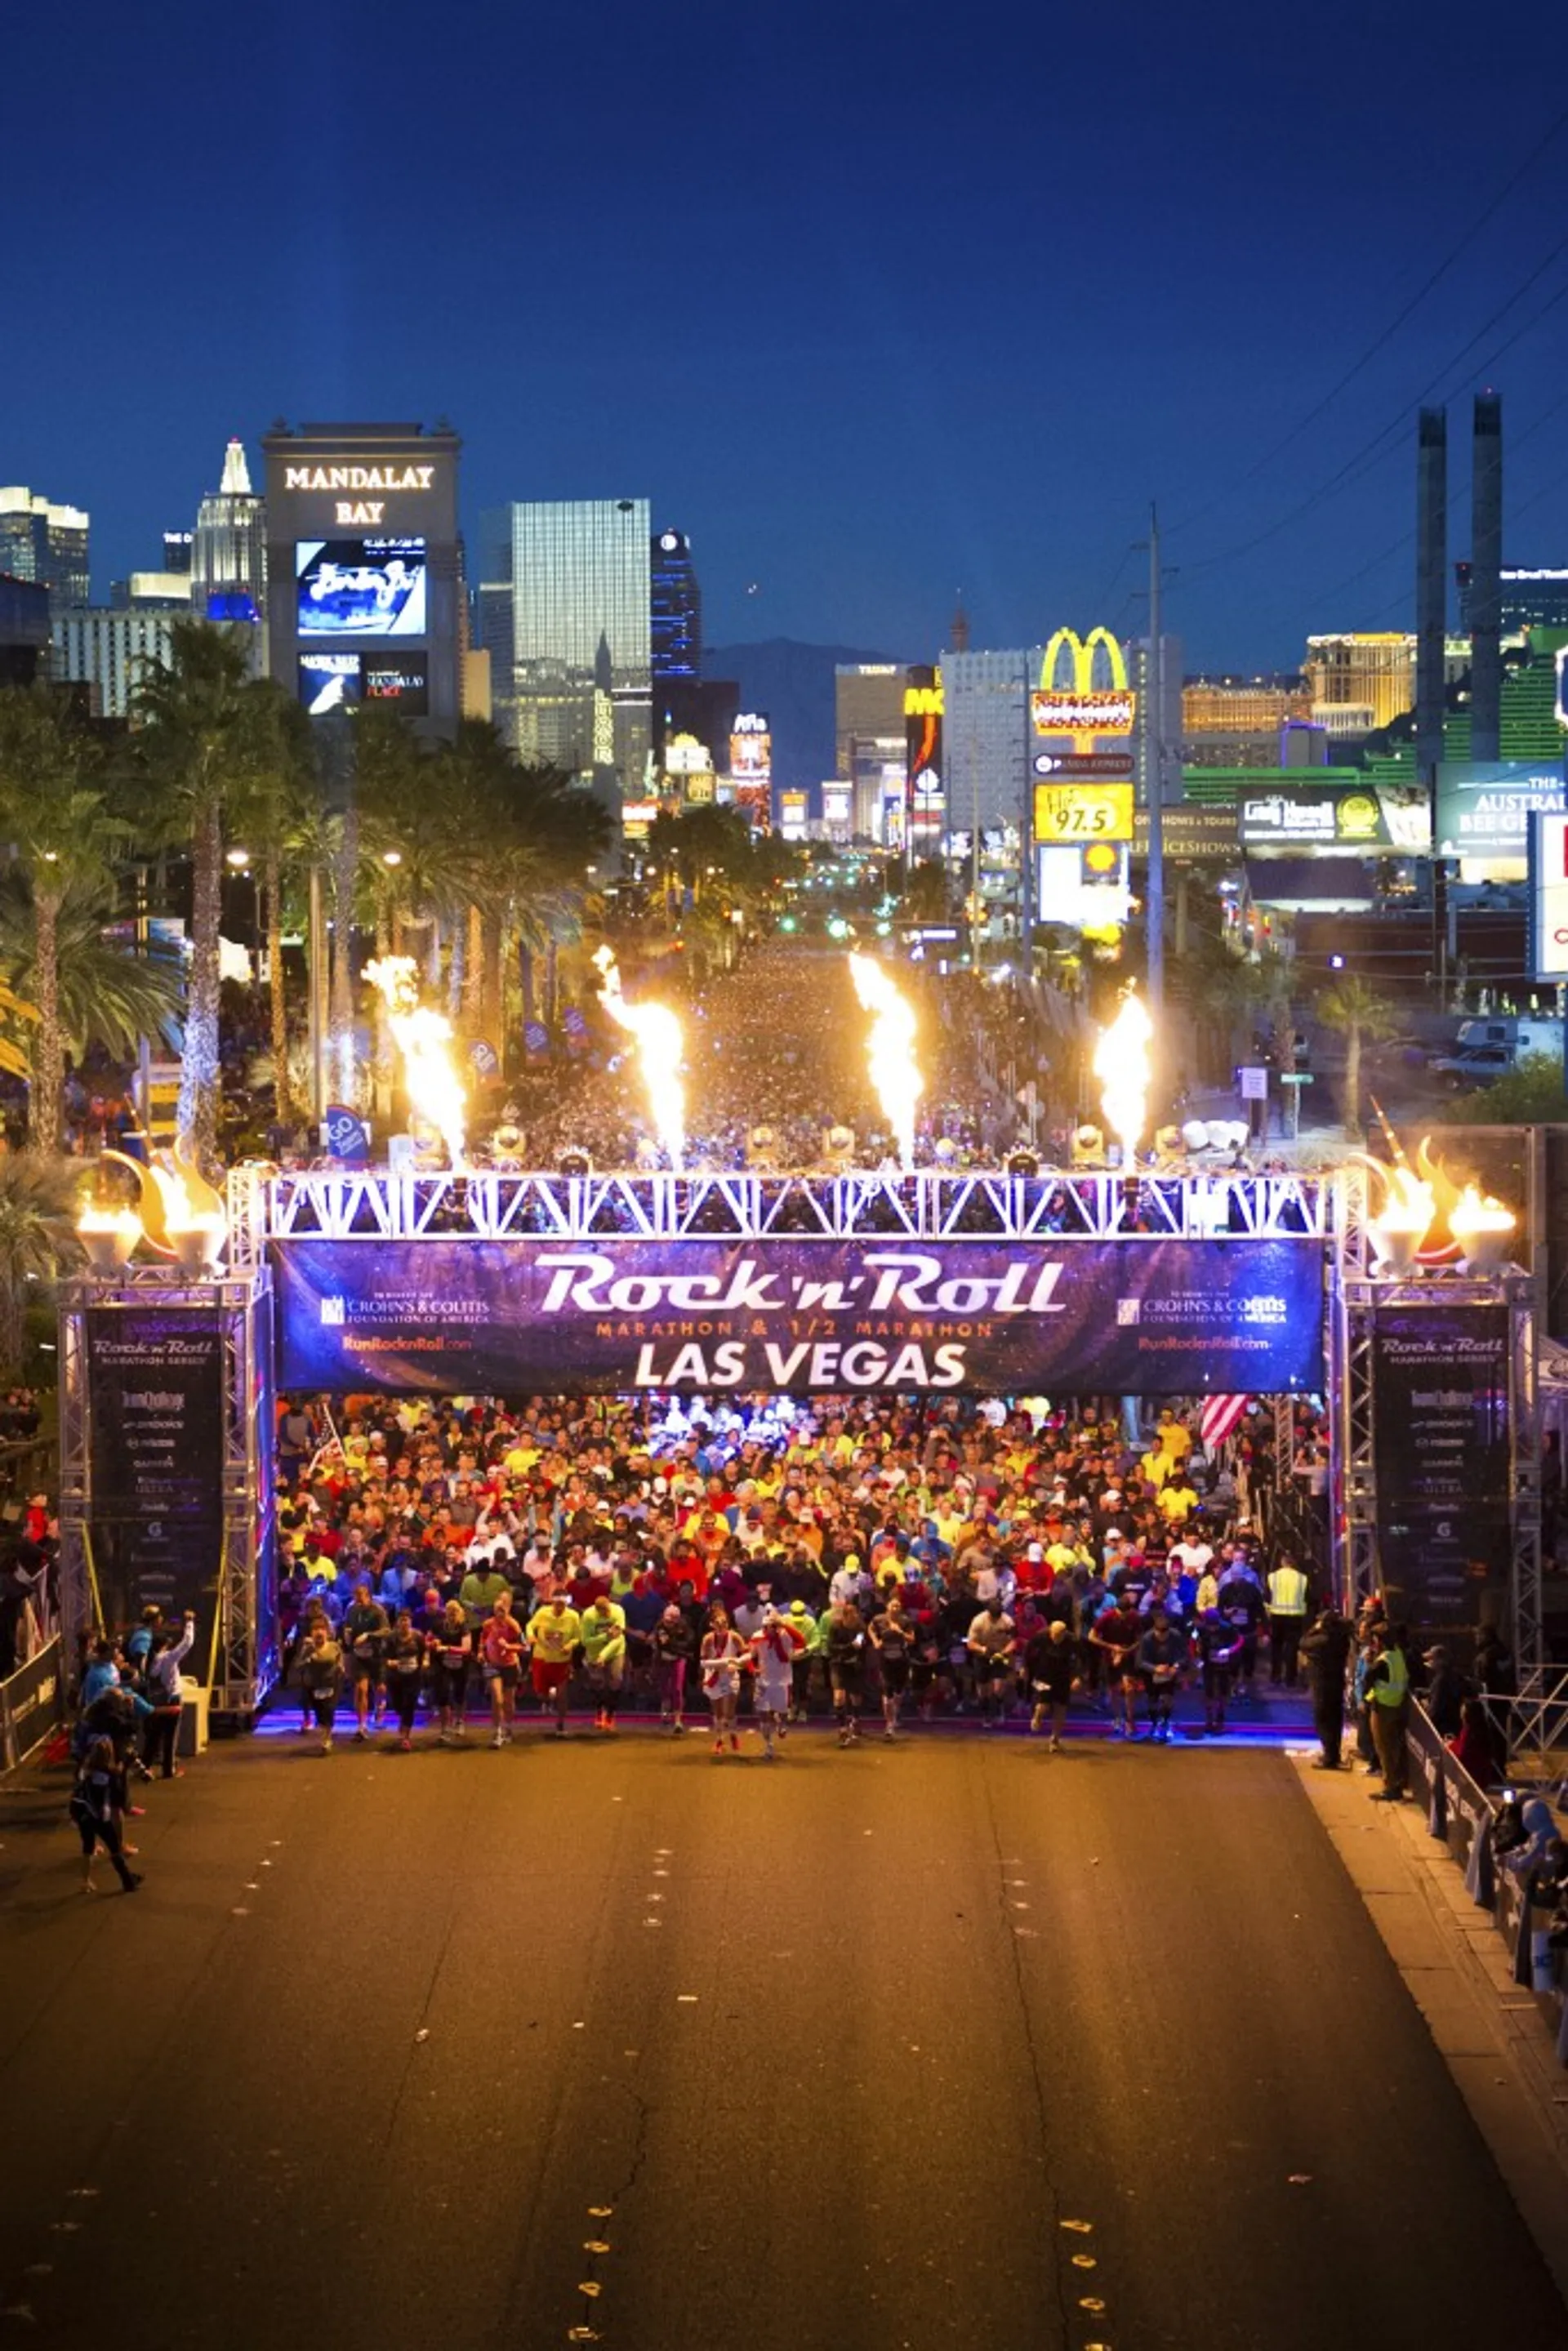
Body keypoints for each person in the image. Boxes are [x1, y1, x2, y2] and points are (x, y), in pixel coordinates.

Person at [69, 1733, 142, 1895]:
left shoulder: (85, 1771)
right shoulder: (107, 1776)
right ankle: (127, 1880)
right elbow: (111, 1797)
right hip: (100, 1816)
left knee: (87, 1847)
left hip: (84, 1814)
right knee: (115, 1848)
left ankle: (85, 1881)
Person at [140, 1611, 196, 1779]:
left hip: (157, 1701)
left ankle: (146, 1765)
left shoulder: (150, 1662)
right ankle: (168, 1769)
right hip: (172, 1698)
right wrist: (189, 1623)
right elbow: (187, 1643)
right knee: (171, 1736)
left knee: (154, 1735)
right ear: (163, 1646)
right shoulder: (168, 1658)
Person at [1299, 1606, 1352, 1769]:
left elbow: (1303, 1643)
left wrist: (1314, 1629)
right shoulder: (1342, 1638)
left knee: (1322, 1719)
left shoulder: (1322, 1640)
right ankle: (1333, 1754)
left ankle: (1329, 1757)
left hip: (1322, 1684)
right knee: (1335, 1720)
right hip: (1336, 1682)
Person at [526, 1592, 583, 1739]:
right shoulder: (543, 1612)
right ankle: (547, 1699)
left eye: (562, 1605)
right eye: (557, 1605)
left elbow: (578, 1637)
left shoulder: (573, 1616)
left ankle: (561, 1724)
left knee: (562, 1694)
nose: (559, 1608)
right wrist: (531, 1636)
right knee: (540, 1694)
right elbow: (530, 1626)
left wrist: (570, 1645)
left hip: (562, 1660)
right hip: (542, 1658)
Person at [1365, 1621, 1411, 1801]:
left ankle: (1390, 1787)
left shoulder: (1382, 1661)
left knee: (1384, 1749)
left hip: (1383, 1709)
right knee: (1396, 1748)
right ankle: (1399, 1782)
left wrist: (1366, 1700)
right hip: (1398, 1707)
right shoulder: (1398, 1655)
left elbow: (1368, 1681)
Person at [749, 1605, 801, 1759]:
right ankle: (769, 1745)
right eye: (766, 1626)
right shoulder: (757, 1637)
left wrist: (784, 1625)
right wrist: (753, 1669)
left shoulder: (785, 1636)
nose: (769, 1629)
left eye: (772, 1626)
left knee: (783, 1711)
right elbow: (750, 1656)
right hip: (764, 1681)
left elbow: (801, 1640)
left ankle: (781, 1723)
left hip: (782, 1681)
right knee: (763, 1714)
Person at [341, 1580, 390, 1742]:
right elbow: (347, 1627)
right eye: (356, 1598)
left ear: (369, 1597)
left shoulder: (378, 1611)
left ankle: (380, 1705)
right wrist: (347, 1635)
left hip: (376, 1655)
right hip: (359, 1656)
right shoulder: (352, 1610)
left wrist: (368, 1635)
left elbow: (386, 1630)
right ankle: (362, 1725)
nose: (359, 1601)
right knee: (361, 1689)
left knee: (380, 1689)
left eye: (361, 1598)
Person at [1090, 1592, 1143, 1739]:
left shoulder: (1135, 1617)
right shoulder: (1107, 1617)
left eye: (1125, 1614)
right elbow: (1091, 1636)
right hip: (1110, 1656)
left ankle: (1130, 1720)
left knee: (1129, 1688)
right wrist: (1112, 1647)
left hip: (1128, 1655)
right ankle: (1118, 1717)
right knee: (1113, 1690)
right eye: (1120, 1614)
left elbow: (1140, 1639)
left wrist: (1127, 1650)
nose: (1123, 1617)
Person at [478, 1592, 525, 1748]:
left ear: (508, 1608)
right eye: (497, 1609)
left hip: (509, 1665)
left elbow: (524, 1646)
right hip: (493, 1665)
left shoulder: (514, 1625)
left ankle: (508, 1728)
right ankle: (497, 1732)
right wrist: (480, 1653)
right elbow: (482, 1641)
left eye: (502, 1609)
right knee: (497, 1699)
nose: (499, 1613)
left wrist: (509, 1647)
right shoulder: (488, 1625)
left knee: (508, 1701)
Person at [700, 1603, 747, 1757]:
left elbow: (747, 1656)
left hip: (730, 1675)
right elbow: (703, 1662)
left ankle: (733, 1733)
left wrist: (736, 1665)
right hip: (714, 1676)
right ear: (712, 1624)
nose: (722, 1626)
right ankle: (719, 1739)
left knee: (730, 1711)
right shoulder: (708, 1639)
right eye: (718, 1623)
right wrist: (721, 1664)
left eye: (724, 1623)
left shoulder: (734, 1637)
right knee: (718, 1711)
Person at [965, 1596, 1018, 1730]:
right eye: (993, 1615)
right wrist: (983, 1649)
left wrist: (1004, 1653)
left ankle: (1000, 1707)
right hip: (982, 1656)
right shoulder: (978, 1621)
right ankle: (985, 1714)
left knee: (998, 1687)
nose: (996, 1618)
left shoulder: (1008, 1621)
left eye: (998, 1615)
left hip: (1000, 1655)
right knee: (983, 1691)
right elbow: (970, 1643)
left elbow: (1013, 1641)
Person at [1024, 1619, 1077, 1750]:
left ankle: (1055, 1739)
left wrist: (1078, 1677)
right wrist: (1024, 1667)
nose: (1056, 1638)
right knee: (1043, 1705)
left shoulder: (1072, 1641)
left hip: (1063, 1677)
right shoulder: (1041, 1636)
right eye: (1053, 1635)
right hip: (1043, 1675)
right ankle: (1037, 1716)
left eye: (1059, 1636)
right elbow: (1028, 1650)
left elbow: (1083, 1659)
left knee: (1061, 1708)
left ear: (1065, 1634)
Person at [580, 1592, 629, 1732]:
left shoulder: (618, 1611)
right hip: (594, 1652)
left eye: (607, 1610)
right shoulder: (589, 1616)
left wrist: (604, 1655)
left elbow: (618, 1638)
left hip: (615, 1651)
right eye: (603, 1612)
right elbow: (585, 1641)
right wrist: (604, 1636)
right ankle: (599, 1711)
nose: (607, 1614)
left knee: (616, 1680)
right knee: (598, 1683)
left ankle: (611, 1714)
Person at [1137, 1605, 1186, 1743]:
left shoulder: (1176, 1636)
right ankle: (1153, 1724)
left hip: (1169, 1673)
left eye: (1165, 1634)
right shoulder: (1147, 1638)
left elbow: (1184, 1656)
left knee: (1167, 1698)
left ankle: (1165, 1723)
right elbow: (1140, 1661)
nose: (1162, 1637)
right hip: (1151, 1674)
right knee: (1152, 1701)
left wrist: (1176, 1666)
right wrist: (1154, 1668)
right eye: (1159, 1634)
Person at [868, 1593, 914, 1740]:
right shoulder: (879, 1620)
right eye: (893, 1605)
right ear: (887, 1607)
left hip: (901, 1660)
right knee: (887, 1691)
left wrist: (899, 1631)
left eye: (898, 1606)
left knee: (899, 1691)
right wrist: (876, 1641)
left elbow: (912, 1639)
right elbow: (870, 1628)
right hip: (885, 1660)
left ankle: (895, 1713)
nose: (895, 1608)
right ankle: (889, 1723)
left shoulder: (905, 1621)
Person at [426, 1600, 472, 1743]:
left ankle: (459, 1721)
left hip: (461, 1664)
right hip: (443, 1664)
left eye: (455, 1612)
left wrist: (448, 1648)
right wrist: (433, 1643)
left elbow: (466, 1649)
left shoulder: (464, 1627)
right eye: (449, 1611)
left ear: (459, 1612)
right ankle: (445, 1728)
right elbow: (427, 1640)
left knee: (460, 1693)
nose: (452, 1614)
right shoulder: (439, 1625)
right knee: (443, 1694)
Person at [824, 1601, 868, 1746]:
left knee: (856, 1697)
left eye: (856, 1615)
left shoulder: (861, 1628)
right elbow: (831, 1647)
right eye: (852, 1615)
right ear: (845, 1616)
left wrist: (858, 1655)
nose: (855, 1617)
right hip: (839, 1665)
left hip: (854, 1666)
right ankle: (842, 1727)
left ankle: (855, 1720)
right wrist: (849, 1647)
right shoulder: (835, 1627)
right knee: (839, 1696)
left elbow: (860, 1647)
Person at [297, 1620, 343, 1754]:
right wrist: (307, 1660)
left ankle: (327, 1739)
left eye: (322, 1629)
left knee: (329, 1709)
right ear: (311, 1634)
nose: (319, 1632)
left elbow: (340, 1661)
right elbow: (298, 1665)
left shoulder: (334, 1647)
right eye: (316, 1630)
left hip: (331, 1684)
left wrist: (340, 1669)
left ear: (327, 1633)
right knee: (320, 1712)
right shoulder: (308, 1649)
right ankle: (325, 1731)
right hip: (315, 1685)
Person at [1265, 1553, 1310, 1688]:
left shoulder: (1273, 1577)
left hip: (1277, 1616)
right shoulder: (1302, 1578)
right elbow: (1308, 1598)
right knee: (1292, 1648)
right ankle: (1290, 1678)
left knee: (1276, 1648)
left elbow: (1267, 1597)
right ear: (1293, 1564)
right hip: (1295, 1617)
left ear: (1282, 1563)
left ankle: (1275, 1675)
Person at [383, 1609, 425, 1749]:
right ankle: (402, 1721)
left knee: (410, 1704)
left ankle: (405, 1736)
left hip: (414, 1676)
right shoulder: (391, 1638)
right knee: (398, 1705)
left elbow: (425, 1653)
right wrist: (390, 1662)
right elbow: (383, 1657)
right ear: (397, 1623)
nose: (404, 1623)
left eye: (407, 1620)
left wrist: (425, 1662)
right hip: (396, 1677)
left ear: (411, 1622)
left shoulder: (418, 1636)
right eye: (402, 1620)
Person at [653, 1602, 695, 1734]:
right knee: (664, 1687)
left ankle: (677, 1719)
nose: (668, 1624)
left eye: (671, 1622)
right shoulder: (660, 1627)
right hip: (664, 1659)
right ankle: (665, 1711)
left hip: (678, 1659)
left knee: (677, 1688)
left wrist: (678, 1648)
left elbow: (689, 1642)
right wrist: (679, 1648)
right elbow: (665, 1645)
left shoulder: (684, 1626)